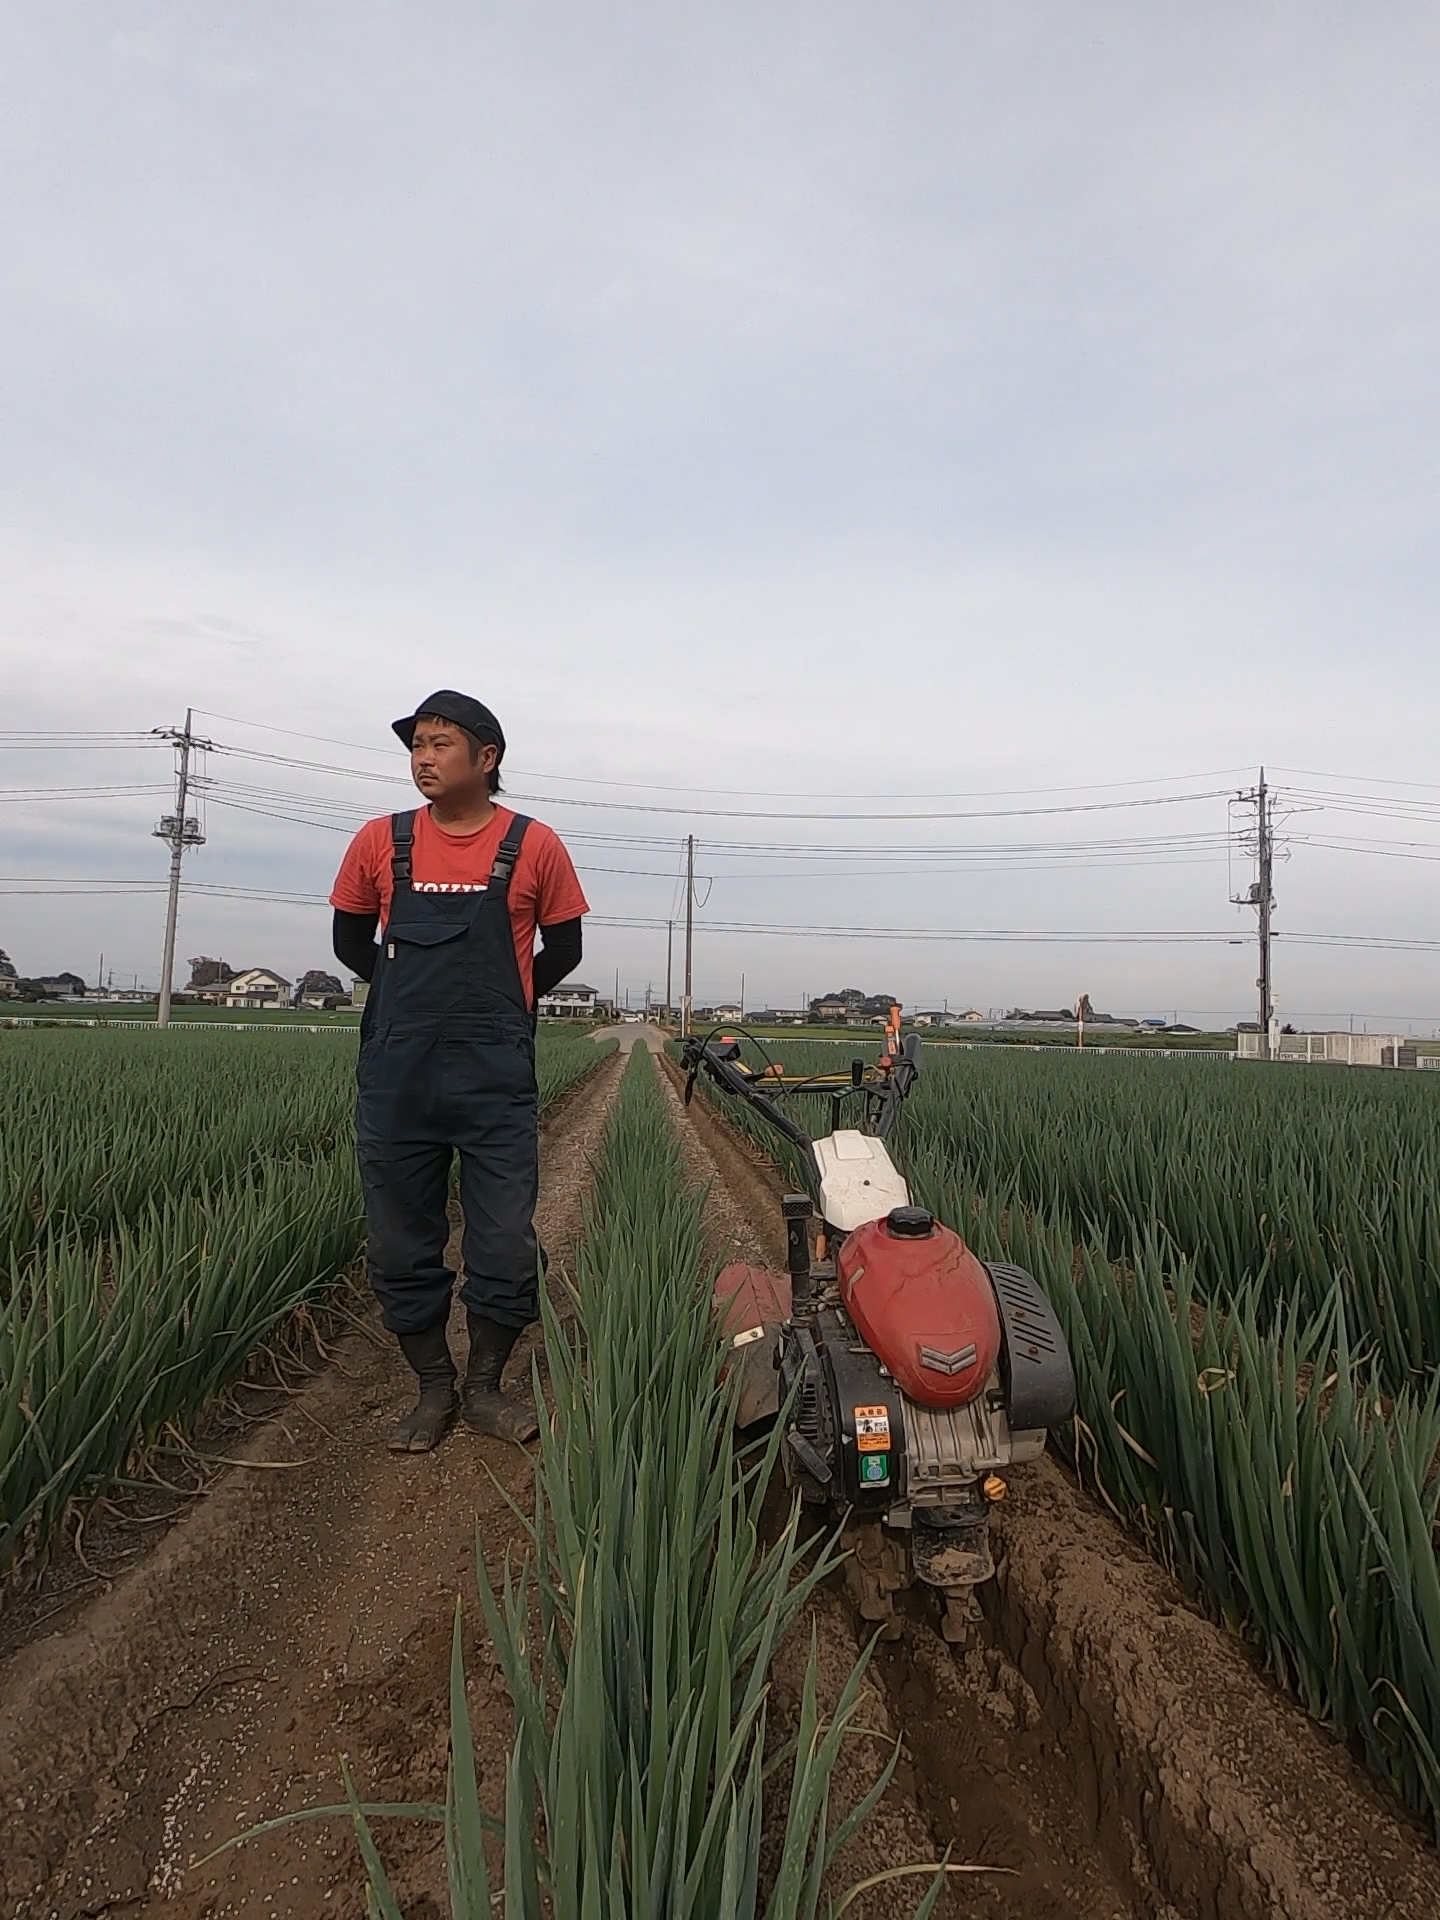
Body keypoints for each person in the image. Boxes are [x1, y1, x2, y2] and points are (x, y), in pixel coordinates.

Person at [330, 691, 589, 1452]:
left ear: (487, 757)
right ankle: (434, 1385)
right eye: (416, 745)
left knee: (504, 1242)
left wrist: (507, 996)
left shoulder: (534, 845)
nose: (422, 757)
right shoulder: (382, 841)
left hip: (491, 1076)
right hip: (398, 1076)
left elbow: (564, 948)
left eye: (440, 743)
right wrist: (411, 999)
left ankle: (485, 1387)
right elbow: (352, 943)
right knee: (400, 1243)